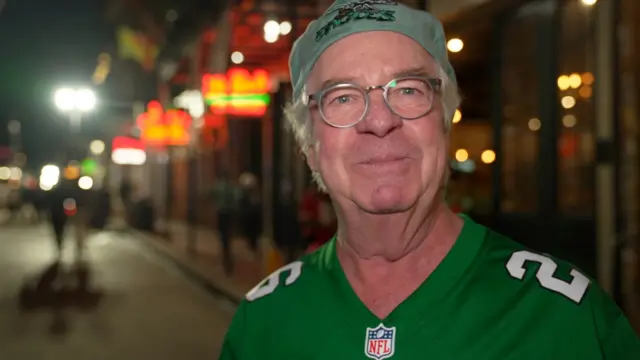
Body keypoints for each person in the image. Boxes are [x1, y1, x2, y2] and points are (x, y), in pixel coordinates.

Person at [219, 1, 640, 359]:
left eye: (408, 89)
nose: (380, 120)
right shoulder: (263, 323)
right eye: (342, 97)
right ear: (310, 146)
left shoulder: (563, 319)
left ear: (444, 123)